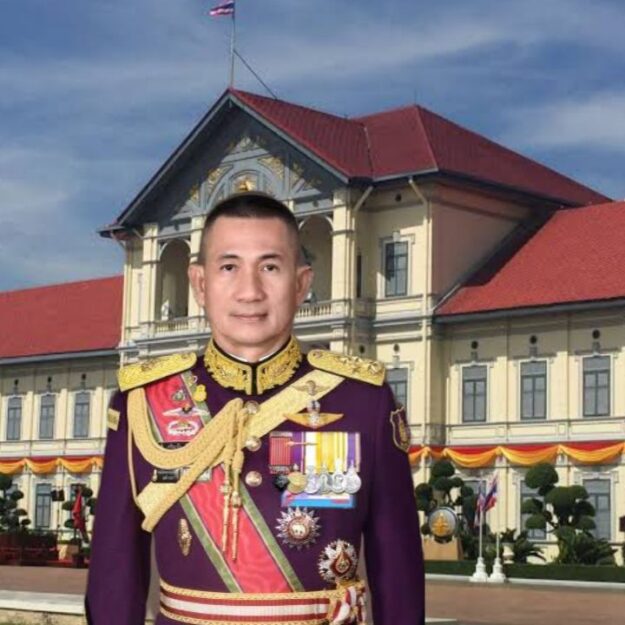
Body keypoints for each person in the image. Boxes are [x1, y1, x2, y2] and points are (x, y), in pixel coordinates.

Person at [85, 192, 424, 625]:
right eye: (229, 267)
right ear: (200, 283)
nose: (250, 292)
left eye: (270, 267)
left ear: (301, 284)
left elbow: (398, 572)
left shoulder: (362, 401)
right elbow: (114, 572)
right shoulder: (143, 402)